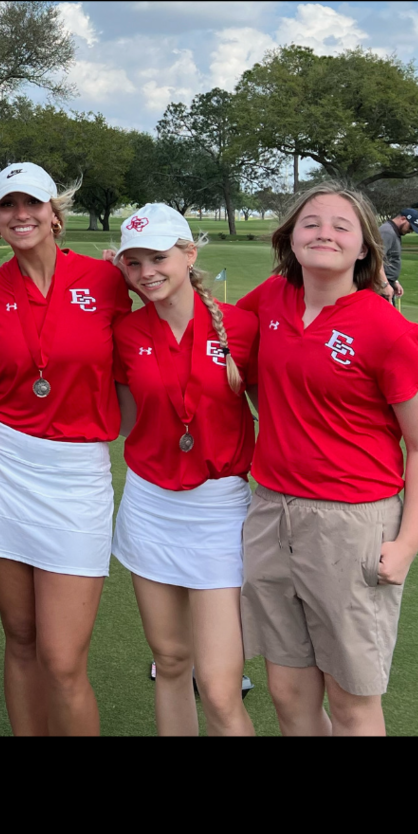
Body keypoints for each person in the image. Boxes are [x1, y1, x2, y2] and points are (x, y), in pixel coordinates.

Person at [237, 180, 418, 736]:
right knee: (287, 693)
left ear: (365, 246)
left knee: (351, 704)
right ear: (290, 237)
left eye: (342, 226)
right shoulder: (269, 299)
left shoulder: (388, 329)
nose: (325, 234)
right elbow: (222, 339)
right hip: (272, 514)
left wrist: (408, 544)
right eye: (311, 223)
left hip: (352, 524)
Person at [0, 162, 132, 736]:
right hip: (6, 465)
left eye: (31, 204)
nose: (21, 215)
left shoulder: (107, 280)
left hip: (77, 473)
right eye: (7, 206)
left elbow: (170, 307)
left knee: (62, 660)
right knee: (21, 639)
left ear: (54, 214)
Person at [110, 204, 257, 737]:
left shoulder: (242, 327)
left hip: (219, 512)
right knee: (170, 661)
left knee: (218, 688)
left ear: (189, 254)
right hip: (151, 506)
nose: (146, 272)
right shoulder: (126, 332)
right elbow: (128, 420)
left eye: (158, 258)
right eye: (133, 262)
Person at [377, 206, 418, 305]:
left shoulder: (394, 232)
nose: (410, 231)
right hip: (380, 286)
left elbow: (388, 259)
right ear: (403, 218)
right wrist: (385, 284)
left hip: (387, 283)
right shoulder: (387, 232)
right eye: (410, 227)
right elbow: (376, 260)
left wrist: (395, 281)